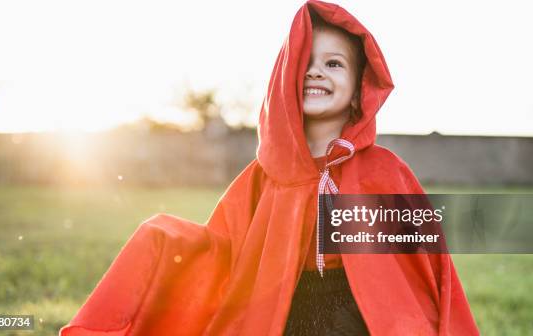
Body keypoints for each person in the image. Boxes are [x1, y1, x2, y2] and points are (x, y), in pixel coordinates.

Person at [59, 1, 479, 335]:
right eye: (306, 62)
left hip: (360, 319)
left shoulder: (386, 172)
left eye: (334, 64)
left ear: (357, 93)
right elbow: (225, 254)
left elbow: (427, 267)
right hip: (283, 317)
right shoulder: (264, 177)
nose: (316, 70)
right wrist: (165, 241)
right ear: (286, 77)